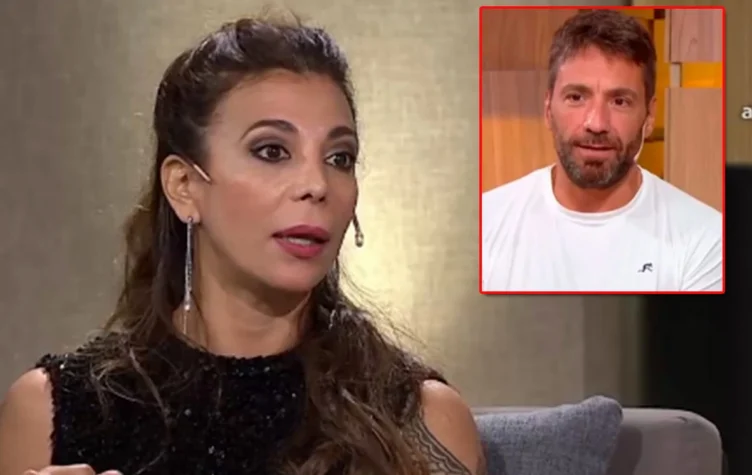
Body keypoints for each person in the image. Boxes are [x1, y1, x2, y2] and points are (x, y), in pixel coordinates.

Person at [0, 16, 486, 475]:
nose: (317, 184)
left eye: (339, 157)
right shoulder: (52, 411)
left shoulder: (419, 419)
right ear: (184, 186)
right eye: (272, 151)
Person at [481, 9, 722, 292]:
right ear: (548, 109)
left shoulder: (705, 238)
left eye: (620, 101)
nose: (596, 123)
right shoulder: (485, 224)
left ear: (649, 116)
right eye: (576, 97)